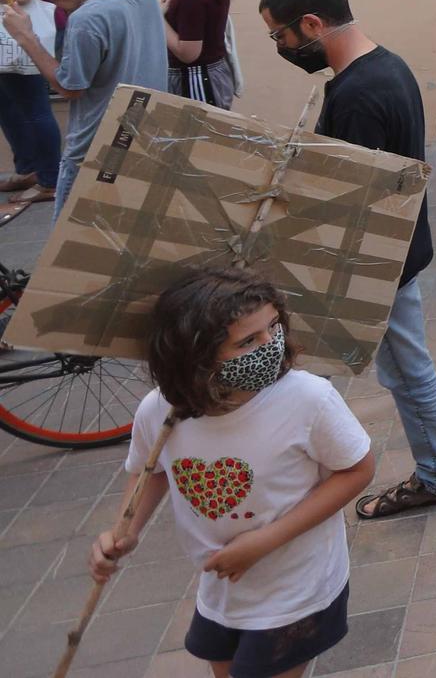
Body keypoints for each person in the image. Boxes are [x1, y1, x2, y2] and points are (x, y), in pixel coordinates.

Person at [93, 266, 374, 678]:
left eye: (273, 327)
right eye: (247, 340)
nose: (270, 344)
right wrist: (124, 530)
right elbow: (150, 470)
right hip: (223, 589)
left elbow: (357, 469)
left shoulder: (308, 399)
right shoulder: (161, 410)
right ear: (196, 355)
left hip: (296, 587)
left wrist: (265, 541)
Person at [259, 0, 436, 520]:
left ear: (312, 23)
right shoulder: (386, 65)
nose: (281, 47)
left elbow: (349, 196)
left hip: (378, 262)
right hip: (397, 250)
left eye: (281, 37)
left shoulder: (355, 94)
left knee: (402, 369)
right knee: (395, 365)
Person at [2, 0, 167, 216]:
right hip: (142, 136)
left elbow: (69, 88)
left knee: (71, 251)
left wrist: (27, 37)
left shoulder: (87, 19)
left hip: (94, 151)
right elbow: (116, 42)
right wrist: (79, 4)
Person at [0, 0, 61, 202]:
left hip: (23, 32)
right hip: (26, 31)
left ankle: (49, 178)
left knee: (32, 107)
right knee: (10, 103)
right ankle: (29, 168)